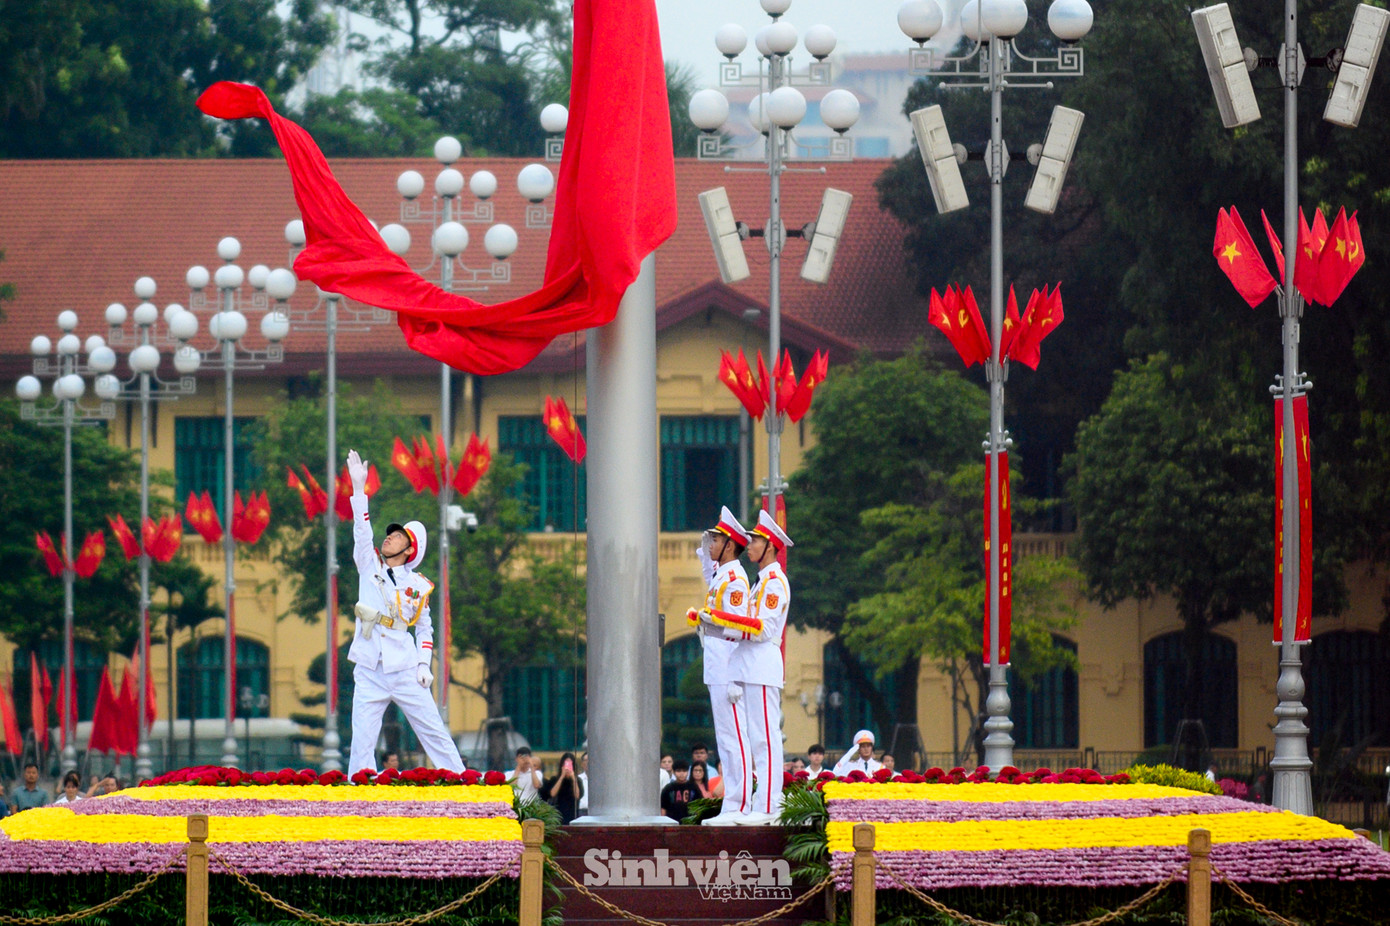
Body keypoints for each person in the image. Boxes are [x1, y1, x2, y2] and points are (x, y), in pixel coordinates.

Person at [343, 450, 465, 775]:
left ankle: (462, 783)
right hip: (370, 665)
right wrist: (358, 491)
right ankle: (360, 790)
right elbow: (362, 533)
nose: (388, 537)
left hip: (405, 667)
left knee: (434, 731)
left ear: (409, 550)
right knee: (363, 740)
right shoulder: (369, 566)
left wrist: (425, 665)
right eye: (390, 533)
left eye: (397, 536)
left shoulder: (419, 585)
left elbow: (425, 629)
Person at [700, 509, 793, 826]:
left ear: (770, 546)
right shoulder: (760, 583)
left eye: (755, 541)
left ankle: (768, 806)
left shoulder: (774, 583)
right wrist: (718, 626)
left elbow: (765, 630)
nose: (749, 545)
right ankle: (760, 804)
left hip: (762, 663)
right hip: (750, 665)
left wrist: (723, 626)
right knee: (757, 739)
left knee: (765, 739)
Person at [689, 506, 751, 819]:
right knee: (724, 738)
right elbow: (709, 575)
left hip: (729, 663)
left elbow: (741, 628)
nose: (710, 544)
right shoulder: (722, 575)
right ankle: (731, 802)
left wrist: (709, 622)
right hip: (717, 662)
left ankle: (740, 803)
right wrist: (703, 551)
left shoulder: (737, 580)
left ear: (730, 546)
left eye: (715, 540)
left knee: (734, 736)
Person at [544, 751, 585, 824]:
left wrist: (573, 778)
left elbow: (577, 795)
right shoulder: (555, 779)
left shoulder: (577, 780)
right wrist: (562, 776)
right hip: (558, 814)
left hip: (572, 814)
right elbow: (552, 794)